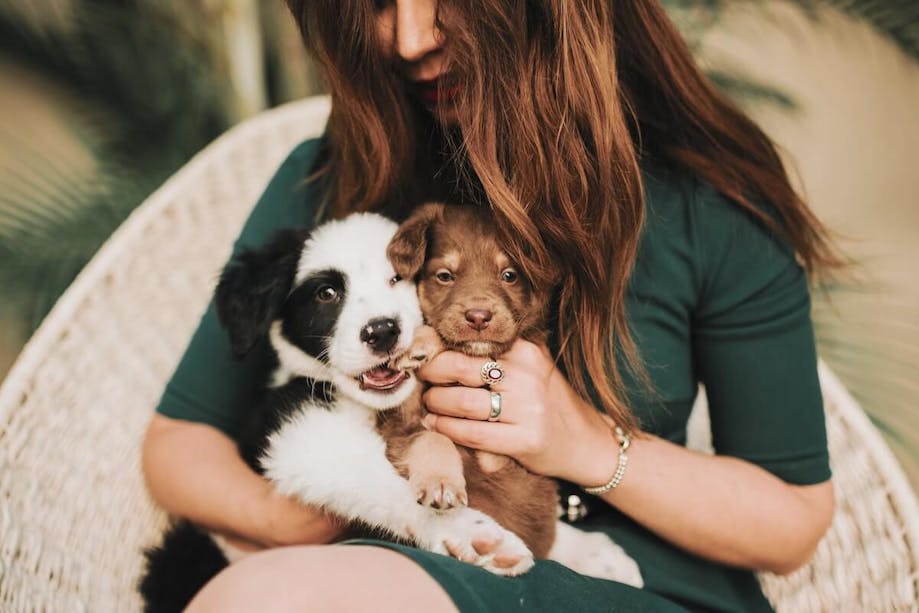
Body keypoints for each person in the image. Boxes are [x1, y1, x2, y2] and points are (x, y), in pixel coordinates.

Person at [141, 1, 841, 611]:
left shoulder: (710, 207)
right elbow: (178, 445)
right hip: (387, 568)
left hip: (638, 589)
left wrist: (583, 441)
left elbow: (791, 520)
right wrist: (302, 523)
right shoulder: (326, 180)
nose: (411, 37)